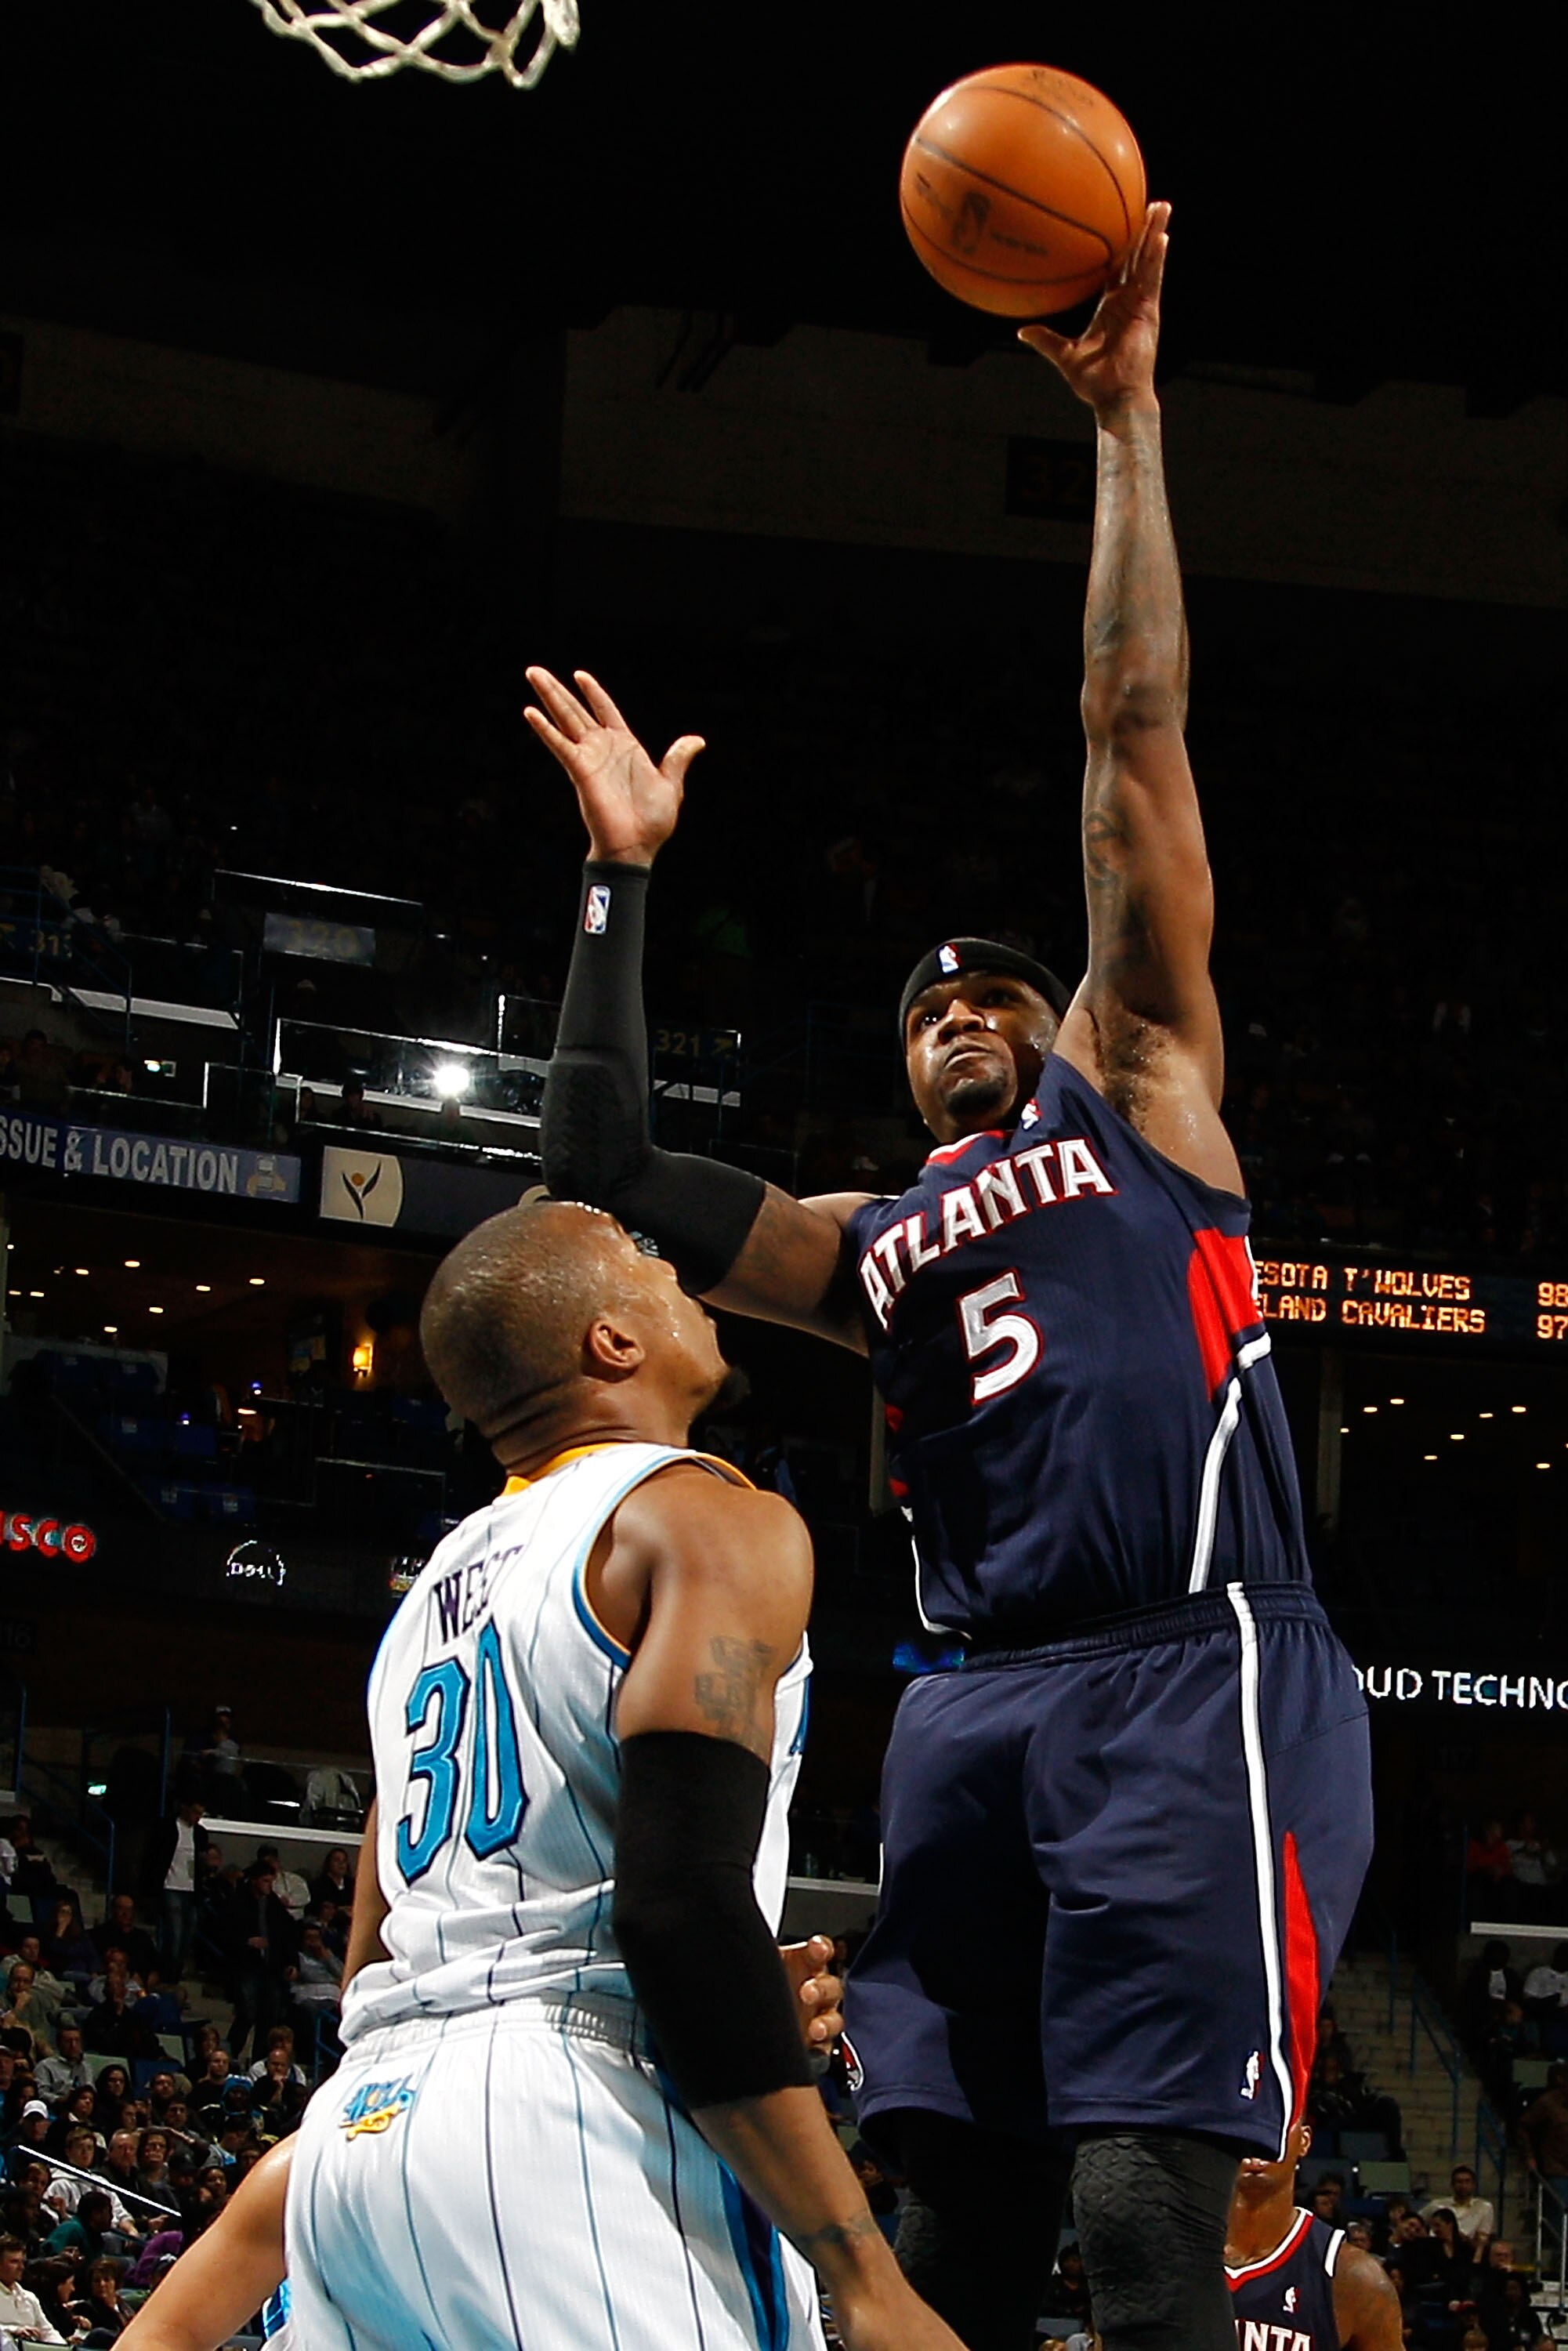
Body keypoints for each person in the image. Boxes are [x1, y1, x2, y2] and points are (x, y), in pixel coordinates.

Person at [530, 201, 1374, 2351]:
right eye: (933, 1007)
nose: (971, 1013)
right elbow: (598, 1169)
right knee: (948, 2217)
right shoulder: (869, 1246)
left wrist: (1125, 429)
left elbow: (1131, 730)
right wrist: (622, 886)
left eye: (1008, 987)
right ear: (897, 1061)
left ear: (1065, 1011)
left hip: (1187, 1674)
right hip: (973, 1706)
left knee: (1146, 2212)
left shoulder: (1145, 1099)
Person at [284, 1198, 965, 2351]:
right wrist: (864, 2272)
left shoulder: (429, 1598)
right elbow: (678, 1909)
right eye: (651, 1261)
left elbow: (372, 1955)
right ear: (613, 1342)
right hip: (570, 2123)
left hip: (359, 2136)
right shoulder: (704, 1518)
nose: (686, 1274)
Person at [1225, 2121, 1400, 2347]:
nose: (1259, 2138)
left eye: (1275, 2121)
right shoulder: (1170, 2253)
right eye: (1244, 2121)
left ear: (1304, 2140)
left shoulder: (1354, 2277)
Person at [144, 1799, 203, 1989]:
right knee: (174, 1936)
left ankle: (173, 1978)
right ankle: (168, 1978)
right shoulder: (166, 1828)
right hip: (170, 1887)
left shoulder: (200, 1834)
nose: (197, 1817)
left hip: (191, 1890)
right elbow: (153, 1857)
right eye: (195, 1812)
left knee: (187, 1939)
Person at [0, 2232, 66, 2342]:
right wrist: (13, 2330)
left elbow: (47, 2332)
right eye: (14, 2262)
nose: (21, 2267)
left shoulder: (29, 2298)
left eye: (22, 2262)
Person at [1521, 2062, 1568, 2207]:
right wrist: (1529, 2156)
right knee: (1559, 2217)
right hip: (1557, 2169)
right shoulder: (1547, 2103)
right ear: (1561, 2079)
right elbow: (1523, 2126)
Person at [1424, 2165, 1494, 2250]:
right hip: (1435, 2248)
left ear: (1473, 2185)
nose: (1463, 2186)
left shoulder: (1484, 2207)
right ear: (1452, 2185)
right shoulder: (1436, 2205)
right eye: (1459, 2182)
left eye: (1467, 2182)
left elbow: (1483, 2239)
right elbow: (1418, 2221)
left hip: (1466, 2250)